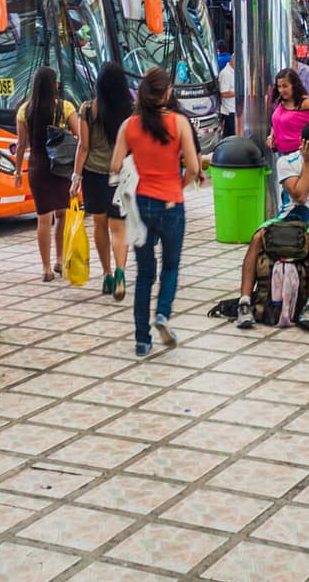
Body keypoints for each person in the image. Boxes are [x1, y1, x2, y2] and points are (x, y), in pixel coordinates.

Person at [110, 69, 203, 357]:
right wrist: (179, 184)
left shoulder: (129, 125)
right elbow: (194, 168)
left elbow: (114, 165)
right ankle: (162, 313)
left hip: (141, 204)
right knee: (171, 266)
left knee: (144, 274)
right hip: (171, 203)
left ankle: (141, 340)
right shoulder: (179, 123)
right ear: (167, 92)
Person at [236, 120, 309, 332]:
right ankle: (244, 301)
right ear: (302, 144)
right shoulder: (286, 161)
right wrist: (306, 163)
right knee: (258, 237)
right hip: (287, 217)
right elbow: (300, 195)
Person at [13, 66, 82, 281]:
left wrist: (17, 171)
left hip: (38, 167)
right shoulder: (65, 107)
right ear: (54, 85)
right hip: (61, 167)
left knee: (43, 219)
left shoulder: (25, 111)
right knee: (61, 215)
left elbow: (21, 144)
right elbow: (80, 136)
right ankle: (60, 260)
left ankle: (45, 269)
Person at [72, 62, 131, 300]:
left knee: (99, 224)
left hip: (93, 175)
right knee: (119, 227)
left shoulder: (87, 109)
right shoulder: (130, 110)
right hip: (120, 176)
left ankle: (106, 274)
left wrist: (75, 177)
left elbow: (83, 146)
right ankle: (120, 272)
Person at [268, 67, 309, 154]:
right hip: (281, 152)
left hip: (300, 154)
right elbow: (275, 123)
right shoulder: (281, 101)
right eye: (279, 86)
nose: (281, 90)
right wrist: (271, 137)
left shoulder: (304, 102)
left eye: (285, 86)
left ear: (294, 85)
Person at [217, 56, 236, 137]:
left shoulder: (234, 71)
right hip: (229, 111)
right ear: (233, 60)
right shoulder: (225, 73)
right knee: (231, 136)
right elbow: (223, 93)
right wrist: (238, 92)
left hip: (235, 110)